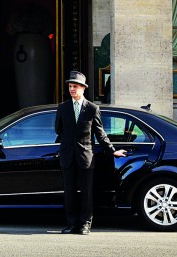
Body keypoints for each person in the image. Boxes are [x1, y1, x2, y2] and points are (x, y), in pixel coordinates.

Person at [54, 70, 126, 235]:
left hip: (86, 156)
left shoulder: (92, 109)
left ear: (83, 88)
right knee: (70, 193)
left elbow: (100, 134)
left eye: (75, 86)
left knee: (87, 193)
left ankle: (85, 224)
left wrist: (112, 150)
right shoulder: (63, 108)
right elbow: (58, 129)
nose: (72, 89)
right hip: (67, 157)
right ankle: (72, 224)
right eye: (70, 86)